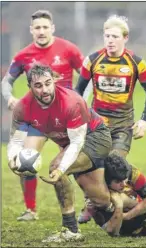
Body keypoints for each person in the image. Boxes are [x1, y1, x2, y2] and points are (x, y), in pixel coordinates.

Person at [7, 64, 112, 242]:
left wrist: (62, 168)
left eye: (48, 83)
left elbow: (78, 142)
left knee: (56, 167)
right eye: (38, 86)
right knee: (101, 200)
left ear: (54, 80)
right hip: (71, 144)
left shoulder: (71, 102)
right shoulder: (23, 107)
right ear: (30, 87)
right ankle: (125, 203)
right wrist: (12, 159)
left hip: (95, 138)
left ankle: (70, 230)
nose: (45, 89)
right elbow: (16, 141)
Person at [1, 10, 85, 221]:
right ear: (31, 30)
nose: (41, 31)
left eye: (45, 27)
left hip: (66, 117)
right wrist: (9, 97)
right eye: (37, 28)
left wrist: (82, 98)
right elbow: (6, 81)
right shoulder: (23, 55)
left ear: (52, 28)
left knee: (74, 161)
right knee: (25, 159)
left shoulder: (68, 49)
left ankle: (89, 206)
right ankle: (31, 210)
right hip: (37, 119)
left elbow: (88, 74)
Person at [75, 15, 146, 223]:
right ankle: (94, 203)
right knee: (91, 166)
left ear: (125, 38)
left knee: (113, 163)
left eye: (114, 36)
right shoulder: (92, 60)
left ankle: (131, 200)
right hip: (97, 126)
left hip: (123, 126)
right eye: (106, 36)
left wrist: (144, 120)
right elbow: (78, 91)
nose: (109, 40)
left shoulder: (136, 62)